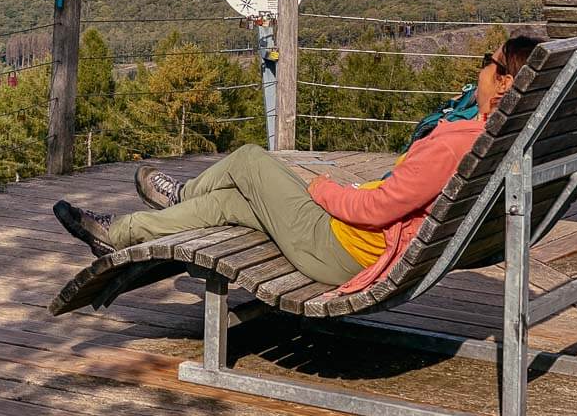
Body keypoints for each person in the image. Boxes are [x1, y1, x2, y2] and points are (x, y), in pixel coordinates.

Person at [53, 35, 543, 295]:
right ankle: (118, 232)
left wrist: (325, 191)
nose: (479, 66)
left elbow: (377, 209)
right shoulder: (507, 138)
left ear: (502, 83)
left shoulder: (457, 142)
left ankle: (180, 195)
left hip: (343, 247)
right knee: (229, 202)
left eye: (488, 59)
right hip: (365, 241)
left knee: (249, 160)